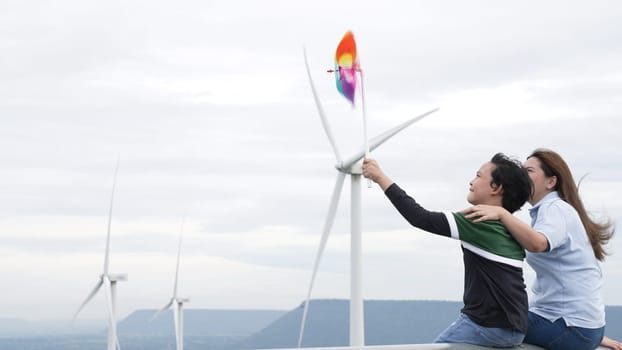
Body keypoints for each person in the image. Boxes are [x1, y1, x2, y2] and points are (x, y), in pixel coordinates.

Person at [362, 153, 532, 348]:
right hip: (516, 329)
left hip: (486, 325)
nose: (471, 181)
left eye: (478, 176)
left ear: (496, 187)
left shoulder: (479, 221)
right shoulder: (509, 228)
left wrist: (379, 177)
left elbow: (419, 217)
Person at [460, 148, 619, 350]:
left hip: (569, 325)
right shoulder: (548, 212)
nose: (521, 175)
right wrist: (591, 335)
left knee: (489, 321)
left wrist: (501, 213)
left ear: (551, 182)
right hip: (577, 326)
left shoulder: (555, 209)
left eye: (529, 171)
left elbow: (538, 243)